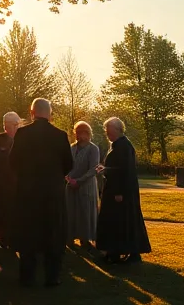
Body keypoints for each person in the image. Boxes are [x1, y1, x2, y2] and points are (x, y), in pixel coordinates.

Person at [9, 98, 73, 287]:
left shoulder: (22, 133)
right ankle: (52, 277)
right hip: (53, 193)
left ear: (32, 112)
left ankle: (27, 277)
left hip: (28, 193)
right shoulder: (60, 135)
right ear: (50, 113)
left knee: (28, 233)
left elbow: (12, 162)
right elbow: (69, 164)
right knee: (53, 234)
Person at [95, 117, 151, 264]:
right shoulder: (118, 145)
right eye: (106, 131)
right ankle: (118, 252)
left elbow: (125, 171)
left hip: (120, 191)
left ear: (118, 130)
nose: (107, 133)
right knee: (120, 222)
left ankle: (121, 252)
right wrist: (105, 169)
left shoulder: (124, 146)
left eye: (109, 131)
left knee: (121, 222)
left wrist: (119, 192)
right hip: (117, 190)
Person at [64, 121, 100, 249]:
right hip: (71, 184)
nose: (80, 136)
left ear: (88, 133)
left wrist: (79, 181)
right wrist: (69, 178)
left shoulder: (93, 149)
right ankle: (70, 237)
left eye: (83, 133)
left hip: (86, 185)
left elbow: (94, 169)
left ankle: (85, 239)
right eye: (78, 133)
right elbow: (67, 164)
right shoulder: (72, 147)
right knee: (71, 211)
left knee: (85, 212)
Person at [0, 111, 19, 245]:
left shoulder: (22, 139)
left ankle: (15, 239)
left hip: (17, 182)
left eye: (9, 125)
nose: (6, 127)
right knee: (2, 211)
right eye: (4, 124)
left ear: (16, 125)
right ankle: (3, 239)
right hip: (1, 182)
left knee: (15, 211)